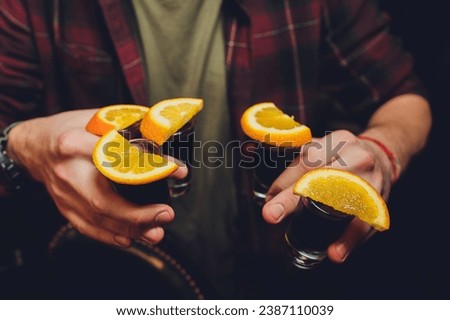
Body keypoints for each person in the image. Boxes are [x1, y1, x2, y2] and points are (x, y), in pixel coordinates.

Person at [0, 0, 431, 299]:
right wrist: (21, 145)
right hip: (113, 281)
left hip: (282, 280)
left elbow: (403, 96)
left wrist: (384, 152)